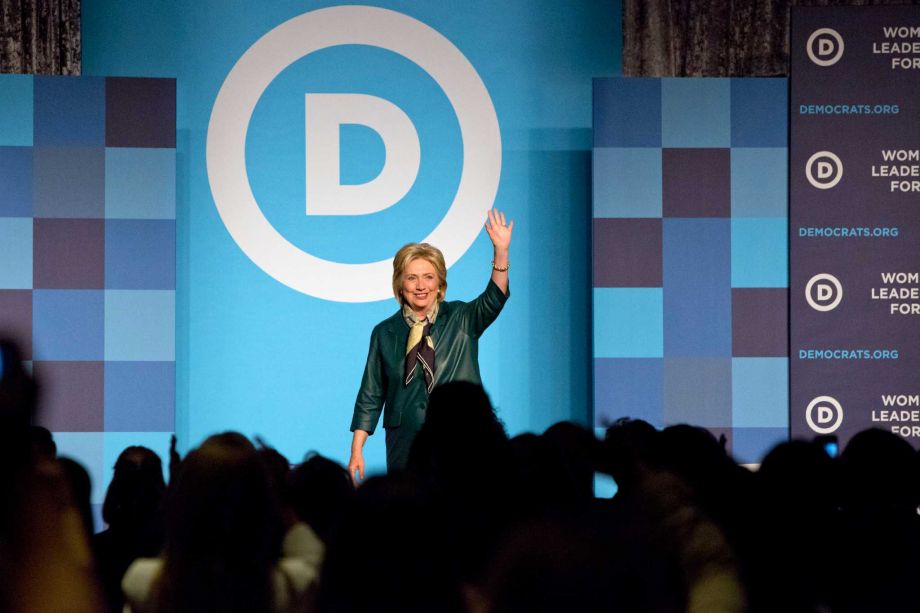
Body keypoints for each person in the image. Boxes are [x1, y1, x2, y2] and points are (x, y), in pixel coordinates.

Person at [347, 208, 513, 479]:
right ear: (400, 285)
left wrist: (501, 251)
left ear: (440, 285)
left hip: (461, 438)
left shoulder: (462, 318)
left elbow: (495, 297)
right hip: (406, 444)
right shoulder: (384, 332)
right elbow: (371, 393)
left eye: (428, 277)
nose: (421, 285)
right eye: (412, 277)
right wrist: (357, 449)